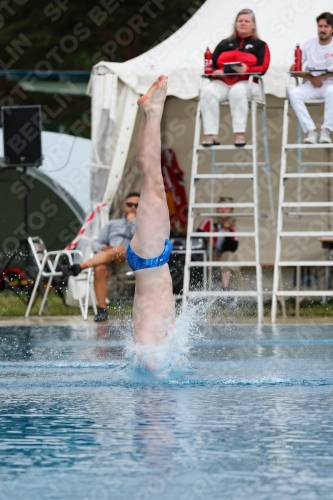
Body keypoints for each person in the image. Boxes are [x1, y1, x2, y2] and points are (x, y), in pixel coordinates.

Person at [126, 75, 176, 345]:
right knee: (152, 180)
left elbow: (144, 351)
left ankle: (153, 113)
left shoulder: (146, 345)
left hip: (150, 258)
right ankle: (150, 113)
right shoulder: (155, 340)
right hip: (153, 259)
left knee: (153, 180)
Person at [62, 192, 140, 322]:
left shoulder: (143, 225)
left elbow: (141, 241)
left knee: (120, 249)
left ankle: (79, 267)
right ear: (124, 206)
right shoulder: (112, 224)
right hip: (109, 258)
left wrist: (133, 221)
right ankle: (102, 310)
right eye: (129, 204)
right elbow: (97, 243)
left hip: (130, 261)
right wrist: (103, 248)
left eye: (137, 205)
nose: (133, 207)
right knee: (99, 268)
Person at [200, 9, 270, 148]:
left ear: (253, 25)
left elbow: (263, 67)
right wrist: (217, 72)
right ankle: (212, 135)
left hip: (248, 83)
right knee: (207, 90)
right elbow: (211, 66)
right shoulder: (224, 43)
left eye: (247, 21)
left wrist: (248, 69)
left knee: (237, 91)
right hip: (224, 82)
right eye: (240, 21)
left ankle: (240, 135)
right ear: (236, 23)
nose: (243, 23)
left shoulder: (260, 45)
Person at [289, 12, 333, 144]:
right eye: (320, 26)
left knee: (332, 91)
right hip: (312, 85)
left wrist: (323, 76)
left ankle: (326, 130)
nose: (322, 30)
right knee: (293, 93)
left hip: (330, 84)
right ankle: (310, 131)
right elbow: (294, 69)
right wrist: (310, 76)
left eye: (326, 26)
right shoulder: (309, 44)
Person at [198, 197, 242, 306]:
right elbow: (198, 240)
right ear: (217, 209)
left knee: (229, 256)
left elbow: (231, 248)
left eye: (226, 208)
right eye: (220, 207)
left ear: (231, 211)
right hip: (207, 254)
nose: (223, 210)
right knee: (231, 260)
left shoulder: (233, 229)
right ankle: (231, 295)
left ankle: (225, 291)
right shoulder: (208, 222)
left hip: (224, 256)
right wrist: (211, 253)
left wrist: (227, 230)